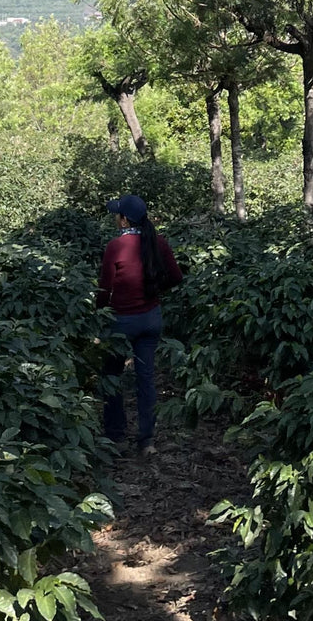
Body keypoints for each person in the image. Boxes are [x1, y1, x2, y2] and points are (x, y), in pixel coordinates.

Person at [96, 194, 182, 455]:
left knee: (111, 376)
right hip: (150, 319)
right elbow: (176, 276)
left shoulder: (116, 247)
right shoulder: (158, 242)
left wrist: (99, 316)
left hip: (121, 321)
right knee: (145, 378)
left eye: (117, 214)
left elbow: (104, 288)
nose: (115, 218)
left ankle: (116, 435)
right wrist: (153, 292)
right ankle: (147, 440)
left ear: (124, 219)